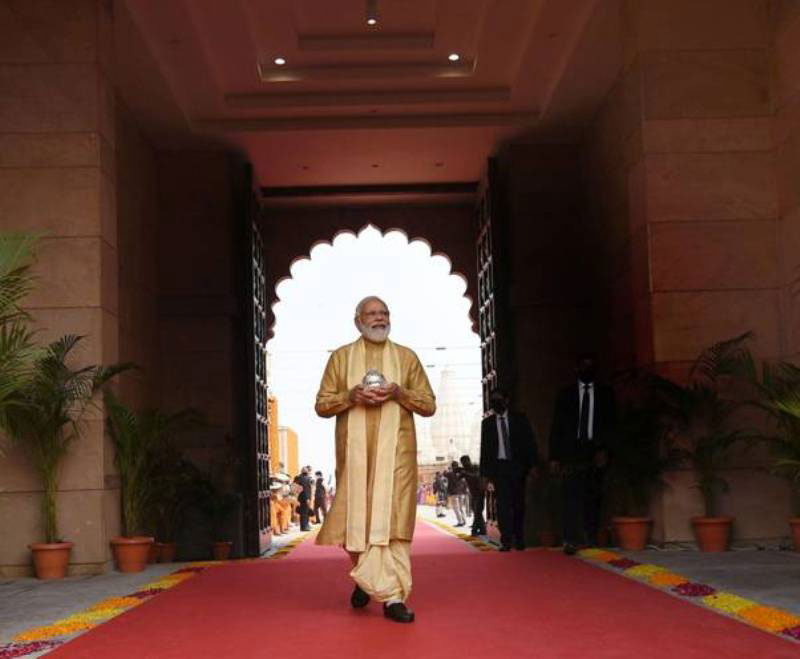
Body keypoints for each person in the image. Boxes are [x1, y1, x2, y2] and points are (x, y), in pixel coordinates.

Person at [314, 295, 435, 623]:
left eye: (384, 313)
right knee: (357, 521)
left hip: (398, 455)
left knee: (394, 521)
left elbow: (428, 404)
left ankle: (393, 596)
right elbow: (322, 405)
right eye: (372, 313)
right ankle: (365, 577)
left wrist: (398, 393)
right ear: (358, 321)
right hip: (355, 457)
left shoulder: (406, 358)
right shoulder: (341, 358)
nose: (379, 318)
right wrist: (350, 396)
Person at [549, 353, 617, 555]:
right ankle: (570, 539)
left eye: (591, 366)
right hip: (571, 452)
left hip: (595, 451)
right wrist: (554, 457)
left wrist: (605, 450)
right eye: (584, 366)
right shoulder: (565, 394)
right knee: (570, 496)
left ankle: (591, 537)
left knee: (593, 497)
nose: (588, 370)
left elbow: (611, 425)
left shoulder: (606, 394)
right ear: (576, 369)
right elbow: (557, 427)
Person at [479, 388, 538, 551]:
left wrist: (533, 465)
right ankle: (506, 540)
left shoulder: (519, 419)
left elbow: (529, 442)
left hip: (518, 467)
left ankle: (519, 537)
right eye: (493, 400)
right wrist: (484, 474)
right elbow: (484, 449)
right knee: (502, 505)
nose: (496, 403)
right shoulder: (487, 423)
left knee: (518, 504)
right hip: (499, 468)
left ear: (507, 400)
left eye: (499, 399)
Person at [459, 455, 486, 536]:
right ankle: (482, 530)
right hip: (472, 493)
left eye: (464, 462)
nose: (464, 465)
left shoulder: (475, 467)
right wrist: (458, 472)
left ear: (468, 461)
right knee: (476, 511)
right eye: (462, 463)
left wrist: (466, 473)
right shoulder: (464, 469)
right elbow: (458, 478)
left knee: (478, 511)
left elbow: (477, 476)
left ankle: (474, 531)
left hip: (480, 492)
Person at [445, 460, 467, 527]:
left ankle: (460, 522)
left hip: (454, 493)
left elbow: (444, 473)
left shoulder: (450, 474)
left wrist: (448, 468)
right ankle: (464, 521)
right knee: (461, 507)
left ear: (452, 467)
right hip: (462, 493)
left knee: (456, 508)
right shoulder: (462, 473)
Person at [293, 467, 313, 531]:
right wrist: (307, 498)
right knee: (304, 513)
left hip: (301, 498)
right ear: (306, 471)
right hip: (305, 498)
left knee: (304, 512)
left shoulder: (300, 477)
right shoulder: (305, 478)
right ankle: (304, 527)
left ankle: (305, 526)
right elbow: (305, 489)